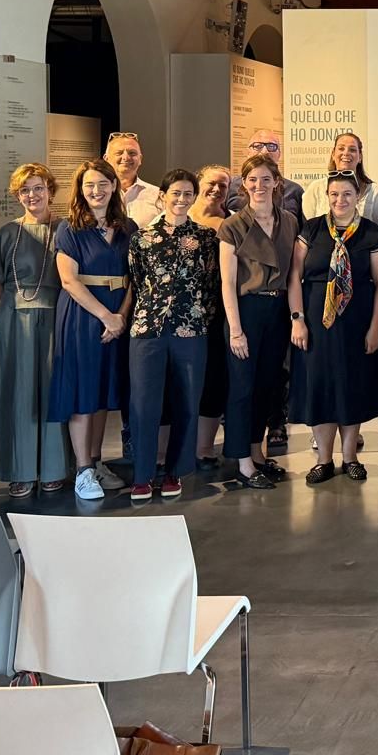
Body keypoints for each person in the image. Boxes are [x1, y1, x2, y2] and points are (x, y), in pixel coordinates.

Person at [290, 172, 378, 485]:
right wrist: (297, 319)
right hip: (316, 324)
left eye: (347, 194)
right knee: (319, 386)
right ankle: (323, 459)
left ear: (357, 196)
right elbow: (294, 276)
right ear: (327, 196)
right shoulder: (312, 228)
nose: (340, 200)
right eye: (334, 194)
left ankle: (350, 458)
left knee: (351, 386)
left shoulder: (370, 232)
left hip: (356, 323)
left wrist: (375, 327)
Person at [124, 169, 215, 502]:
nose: (181, 199)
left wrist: (200, 317)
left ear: (194, 198)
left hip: (191, 329)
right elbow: (136, 281)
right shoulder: (142, 238)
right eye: (175, 192)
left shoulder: (206, 238)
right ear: (163, 196)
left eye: (188, 193)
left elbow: (210, 283)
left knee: (188, 402)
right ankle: (142, 475)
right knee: (143, 404)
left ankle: (177, 470)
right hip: (147, 330)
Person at [48, 158, 133, 501]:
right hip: (82, 318)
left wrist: (120, 316)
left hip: (118, 317)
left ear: (114, 186)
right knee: (83, 393)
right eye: (89, 185)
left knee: (102, 394)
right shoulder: (69, 228)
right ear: (80, 190)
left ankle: (97, 463)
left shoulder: (127, 228)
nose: (96, 191)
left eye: (102, 184)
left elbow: (134, 278)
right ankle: (83, 470)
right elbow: (69, 281)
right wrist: (106, 316)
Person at [0, 164, 72, 496]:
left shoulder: (66, 229)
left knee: (53, 392)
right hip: (15, 321)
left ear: (50, 191)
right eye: (25, 190)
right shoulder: (6, 233)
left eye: (38, 188)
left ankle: (54, 466)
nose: (32, 195)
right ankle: (19, 469)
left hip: (56, 318)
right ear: (17, 195)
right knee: (17, 392)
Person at [218, 154, 297, 490]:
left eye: (266, 179)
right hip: (245, 312)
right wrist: (236, 330)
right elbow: (227, 282)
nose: (259, 185)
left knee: (267, 386)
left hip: (277, 311)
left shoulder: (288, 221)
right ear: (244, 184)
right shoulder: (232, 226)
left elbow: (293, 273)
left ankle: (257, 452)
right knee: (242, 389)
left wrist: (295, 317)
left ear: (276, 182)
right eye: (252, 179)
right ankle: (242, 463)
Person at [189, 164, 233, 466]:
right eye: (211, 183)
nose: (216, 190)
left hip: (219, 310)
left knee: (214, 378)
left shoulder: (233, 222)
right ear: (198, 183)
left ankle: (204, 446)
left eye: (223, 186)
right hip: (181, 312)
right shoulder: (177, 216)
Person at [225, 130, 305, 224]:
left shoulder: (295, 191)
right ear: (248, 152)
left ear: (279, 154)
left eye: (271, 146)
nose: (265, 151)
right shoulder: (229, 186)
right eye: (257, 146)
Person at [307, 133, 378, 222]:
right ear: (333, 154)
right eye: (341, 148)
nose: (346, 153)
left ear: (360, 157)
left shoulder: (375, 193)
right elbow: (308, 226)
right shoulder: (315, 188)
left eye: (352, 150)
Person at [104, 132, 160, 228]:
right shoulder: (96, 195)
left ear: (140, 159)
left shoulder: (157, 195)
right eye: (119, 153)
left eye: (132, 153)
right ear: (106, 159)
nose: (126, 157)